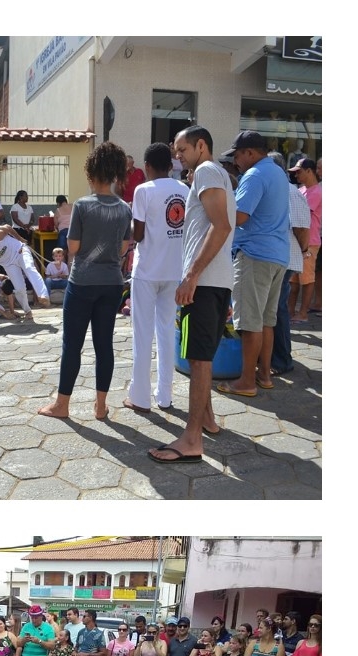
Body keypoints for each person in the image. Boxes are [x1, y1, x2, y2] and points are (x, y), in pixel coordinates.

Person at [150, 126, 236, 465]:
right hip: (215, 281)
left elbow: (222, 225)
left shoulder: (206, 170)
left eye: (183, 149)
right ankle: (208, 421)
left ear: (202, 145)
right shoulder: (214, 174)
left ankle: (191, 438)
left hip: (205, 282)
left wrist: (191, 275)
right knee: (203, 355)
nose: (178, 156)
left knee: (198, 359)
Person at [38, 143, 135, 422]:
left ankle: (62, 405)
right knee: (104, 344)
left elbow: (74, 247)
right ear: (116, 173)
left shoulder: (82, 205)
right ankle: (101, 406)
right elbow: (121, 249)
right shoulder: (124, 208)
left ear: (91, 172)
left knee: (73, 344)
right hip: (112, 283)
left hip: (82, 283)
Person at [223, 131, 292, 398]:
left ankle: (246, 381)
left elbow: (239, 216)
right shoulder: (277, 172)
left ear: (250, 153)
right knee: (266, 321)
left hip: (255, 255)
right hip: (278, 256)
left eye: (237, 155)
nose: (236, 161)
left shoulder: (254, 175)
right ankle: (264, 375)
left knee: (250, 322)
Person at [272, 164, 313, 375]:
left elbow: (302, 229)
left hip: (285, 259)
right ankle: (275, 357)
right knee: (274, 309)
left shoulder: (290, 192)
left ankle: (281, 360)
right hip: (277, 258)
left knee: (278, 309)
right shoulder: (281, 189)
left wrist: (304, 250)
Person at [289, 156, 321, 323]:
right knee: (293, 280)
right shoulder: (300, 191)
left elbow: (301, 215)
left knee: (307, 279)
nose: (296, 175)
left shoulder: (317, 192)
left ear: (309, 171)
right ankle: (290, 311)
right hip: (296, 240)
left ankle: (303, 313)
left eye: (299, 172)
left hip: (310, 242)